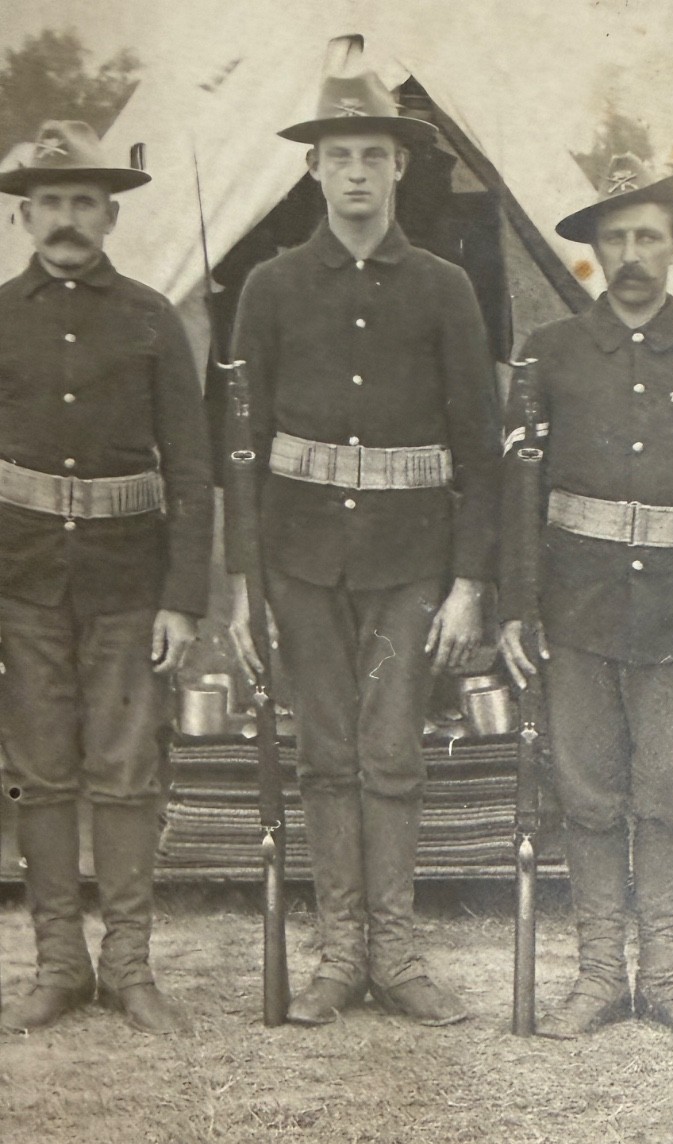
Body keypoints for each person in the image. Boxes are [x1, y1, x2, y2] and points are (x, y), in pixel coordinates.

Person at [229, 65, 501, 1027]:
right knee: (324, 754)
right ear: (311, 169)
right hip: (299, 559)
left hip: (410, 561)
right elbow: (241, 445)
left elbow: (480, 450)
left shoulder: (444, 288)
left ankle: (398, 954)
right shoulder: (269, 287)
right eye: (337, 155)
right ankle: (339, 957)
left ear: (398, 169)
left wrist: (469, 582)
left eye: (372, 156)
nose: (355, 172)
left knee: (391, 751)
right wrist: (244, 582)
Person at [499, 156, 673, 1044]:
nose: (630, 254)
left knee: (667, 791)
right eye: (615, 238)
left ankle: (666, 978)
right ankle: (595, 979)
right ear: (593, 251)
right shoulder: (549, 352)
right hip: (575, 608)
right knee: (586, 794)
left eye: (647, 237)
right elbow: (517, 486)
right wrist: (517, 605)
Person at [0, 122, 213, 1035]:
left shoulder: (152, 319)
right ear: (23, 215)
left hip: (129, 582)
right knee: (39, 771)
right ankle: (59, 965)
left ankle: (129, 967)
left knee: (127, 772)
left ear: (112, 215)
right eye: (50, 201)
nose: (67, 219)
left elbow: (192, 467)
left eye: (84, 202)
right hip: (22, 578)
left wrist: (184, 599)